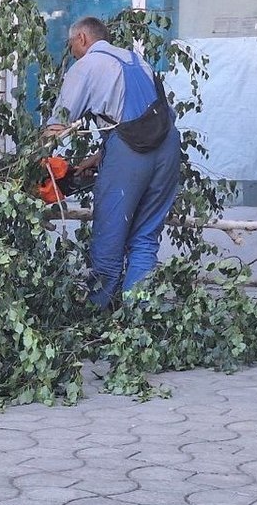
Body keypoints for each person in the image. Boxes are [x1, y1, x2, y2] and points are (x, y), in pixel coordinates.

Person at [43, 16, 180, 309]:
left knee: (109, 240)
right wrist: (101, 155)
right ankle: (139, 319)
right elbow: (142, 119)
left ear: (81, 38)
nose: (72, 52)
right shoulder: (137, 60)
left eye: (71, 45)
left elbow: (59, 126)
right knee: (144, 237)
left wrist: (31, 161)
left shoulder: (86, 66)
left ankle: (96, 315)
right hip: (168, 146)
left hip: (132, 152)